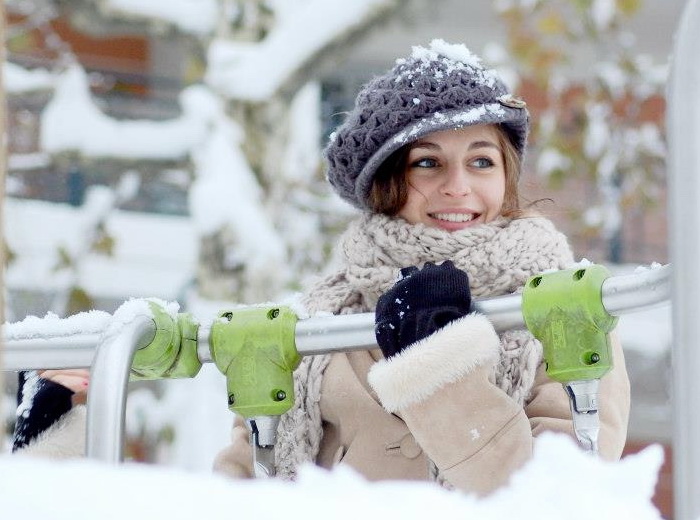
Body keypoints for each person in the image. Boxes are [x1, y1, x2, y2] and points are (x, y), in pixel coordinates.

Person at [13, 39, 630, 496]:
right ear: (385, 182)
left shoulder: (560, 313)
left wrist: (441, 368)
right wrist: (62, 435)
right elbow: (243, 493)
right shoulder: (322, 325)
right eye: (426, 163)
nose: (458, 188)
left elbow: (560, 495)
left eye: (481, 161)